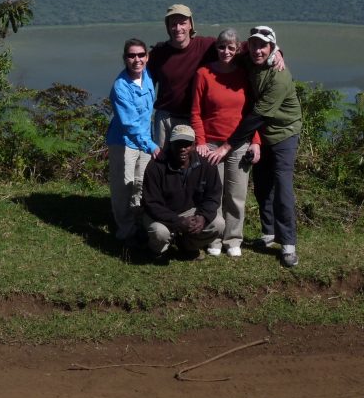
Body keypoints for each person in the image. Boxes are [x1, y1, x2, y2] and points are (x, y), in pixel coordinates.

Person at [209, 26, 302, 267]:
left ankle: (289, 244)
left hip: (283, 133)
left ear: (272, 48)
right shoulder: (248, 59)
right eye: (254, 45)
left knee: (282, 186)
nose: (257, 50)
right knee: (262, 186)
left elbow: (256, 116)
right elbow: (226, 49)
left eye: (263, 46)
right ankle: (269, 234)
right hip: (262, 134)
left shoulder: (279, 76)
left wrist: (228, 145)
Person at [190, 28, 261, 258]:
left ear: (238, 48)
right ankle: (214, 237)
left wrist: (256, 141)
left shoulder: (244, 75)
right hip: (211, 143)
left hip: (239, 143)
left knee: (236, 194)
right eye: (222, 46)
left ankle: (233, 239)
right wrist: (200, 141)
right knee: (214, 194)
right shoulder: (203, 74)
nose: (226, 51)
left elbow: (253, 113)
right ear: (216, 48)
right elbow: (196, 112)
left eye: (231, 47)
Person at [106, 38, 160, 246]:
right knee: (123, 187)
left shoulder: (147, 75)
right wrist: (152, 145)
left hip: (145, 139)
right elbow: (130, 123)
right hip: (124, 142)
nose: (136, 59)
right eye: (131, 55)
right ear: (125, 59)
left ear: (147, 57)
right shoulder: (120, 87)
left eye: (141, 55)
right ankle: (125, 232)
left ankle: (138, 224)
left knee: (141, 183)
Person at [141, 124, 224, 261]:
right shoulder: (155, 166)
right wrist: (177, 221)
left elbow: (213, 196)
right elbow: (151, 203)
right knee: (159, 233)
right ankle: (157, 250)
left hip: (189, 211)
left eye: (187, 144)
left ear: (194, 145)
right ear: (170, 144)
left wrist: (202, 217)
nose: (183, 149)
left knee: (218, 224)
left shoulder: (206, 164)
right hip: (161, 214)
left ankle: (187, 246)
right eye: (178, 144)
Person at [146, 4, 217, 149]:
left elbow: (237, 47)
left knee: (193, 164)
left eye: (183, 23)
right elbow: (144, 84)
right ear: (168, 27)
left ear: (191, 24)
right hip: (165, 119)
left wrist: (276, 52)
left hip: (195, 119)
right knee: (162, 161)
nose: (178, 28)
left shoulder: (206, 46)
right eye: (173, 24)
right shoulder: (159, 53)